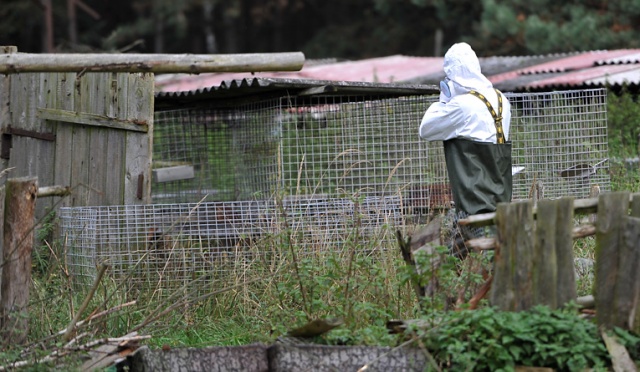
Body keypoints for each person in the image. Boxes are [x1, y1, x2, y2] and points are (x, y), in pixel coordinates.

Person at [419, 42, 512, 254]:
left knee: (492, 260)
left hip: (473, 205)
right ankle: (445, 285)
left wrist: (446, 97)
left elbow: (425, 129)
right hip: (499, 200)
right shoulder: (501, 100)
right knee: (455, 255)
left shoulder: (462, 106)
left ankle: (445, 285)